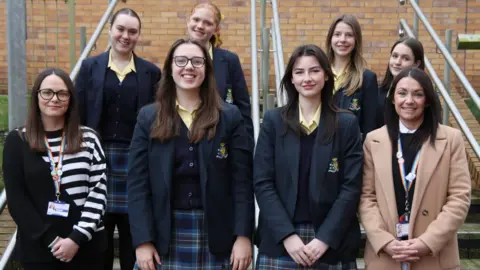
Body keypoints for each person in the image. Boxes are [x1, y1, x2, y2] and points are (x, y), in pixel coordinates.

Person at [128, 38, 254, 270]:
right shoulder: (148, 117)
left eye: (197, 61)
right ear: (170, 68)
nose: (189, 67)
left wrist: (243, 236)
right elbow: (137, 184)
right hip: (164, 233)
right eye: (181, 60)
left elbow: (242, 183)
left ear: (207, 69)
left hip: (217, 234)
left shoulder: (230, 117)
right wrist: (143, 241)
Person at [254, 44, 362, 269]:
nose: (307, 78)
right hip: (280, 242)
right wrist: (287, 235)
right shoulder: (274, 122)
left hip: (331, 243)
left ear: (326, 75)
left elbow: (351, 187)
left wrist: (324, 238)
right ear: (291, 79)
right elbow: (263, 183)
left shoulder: (346, 124)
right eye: (299, 72)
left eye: (314, 70)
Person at [359, 67, 471, 269]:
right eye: (402, 93)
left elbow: (459, 197)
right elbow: (366, 198)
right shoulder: (373, 140)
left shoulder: (451, 140)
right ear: (392, 99)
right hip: (386, 257)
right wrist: (385, 241)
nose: (408, 100)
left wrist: (426, 242)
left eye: (417, 94)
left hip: (434, 258)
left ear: (427, 101)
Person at [75, 8, 161, 270]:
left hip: (135, 159)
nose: (126, 36)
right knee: (100, 233)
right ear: (110, 29)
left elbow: (156, 119)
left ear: (138, 35)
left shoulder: (151, 72)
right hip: (98, 159)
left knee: (132, 231)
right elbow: (78, 112)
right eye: (120, 29)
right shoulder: (90, 67)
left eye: (132, 31)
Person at [3, 68, 107, 270]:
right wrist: (51, 240)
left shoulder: (89, 138)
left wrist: (76, 238)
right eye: (47, 92)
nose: (54, 99)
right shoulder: (17, 141)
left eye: (62, 93)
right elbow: (17, 200)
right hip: (39, 250)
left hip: (86, 246)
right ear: (37, 96)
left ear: (71, 99)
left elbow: (98, 192)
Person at [186, 2, 253, 138]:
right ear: (188, 21)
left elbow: (243, 107)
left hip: (220, 139)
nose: (200, 26)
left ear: (216, 29)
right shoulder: (176, 57)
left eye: (207, 23)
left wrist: (246, 144)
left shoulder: (229, 60)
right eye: (196, 19)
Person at [326, 14, 378, 137]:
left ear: (356, 40)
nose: (342, 39)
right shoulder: (319, 74)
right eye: (337, 34)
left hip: (350, 151)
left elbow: (369, 127)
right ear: (330, 39)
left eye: (349, 35)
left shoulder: (367, 78)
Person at [377, 37, 424, 128]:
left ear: (416, 64)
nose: (397, 62)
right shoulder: (378, 91)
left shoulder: (424, 94)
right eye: (395, 56)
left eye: (405, 58)